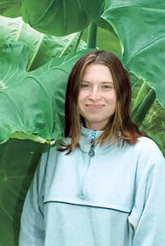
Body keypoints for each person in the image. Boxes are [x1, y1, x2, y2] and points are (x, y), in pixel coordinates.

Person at [19, 50, 165, 246]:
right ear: (73, 94)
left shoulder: (145, 156)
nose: (94, 96)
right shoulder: (54, 153)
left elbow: (153, 237)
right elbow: (32, 231)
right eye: (85, 86)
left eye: (106, 87)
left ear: (121, 94)